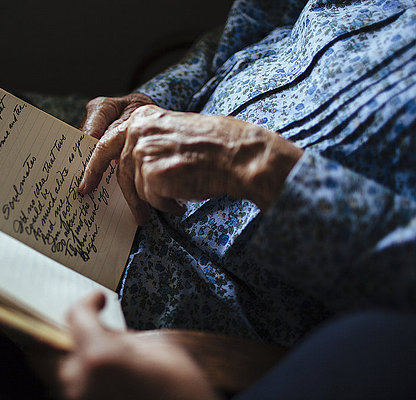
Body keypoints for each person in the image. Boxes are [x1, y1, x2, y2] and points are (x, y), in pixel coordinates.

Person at [54, 0, 416, 398]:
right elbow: (255, 22)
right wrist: (150, 99)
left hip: (174, 328)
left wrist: (257, 162)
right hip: (113, 162)